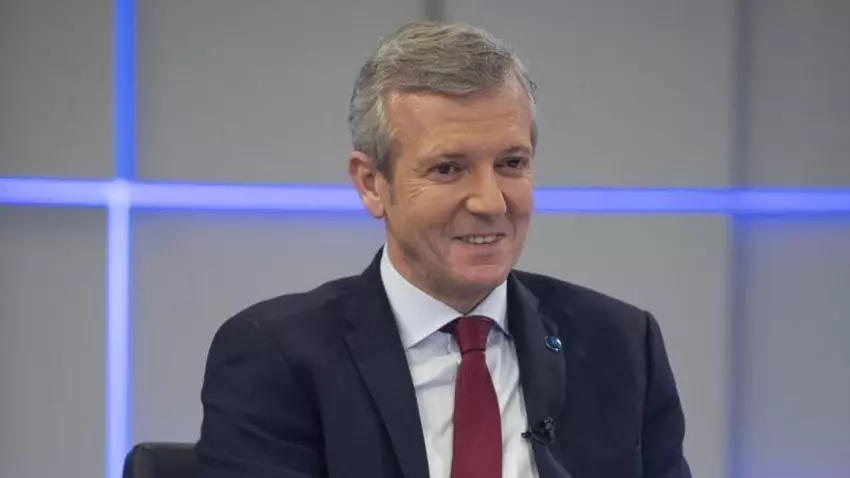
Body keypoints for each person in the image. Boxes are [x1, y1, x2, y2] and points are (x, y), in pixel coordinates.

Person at [195, 21, 691, 478]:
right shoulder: (277, 357)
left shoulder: (621, 346)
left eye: (511, 163)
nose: (490, 202)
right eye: (448, 169)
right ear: (371, 184)